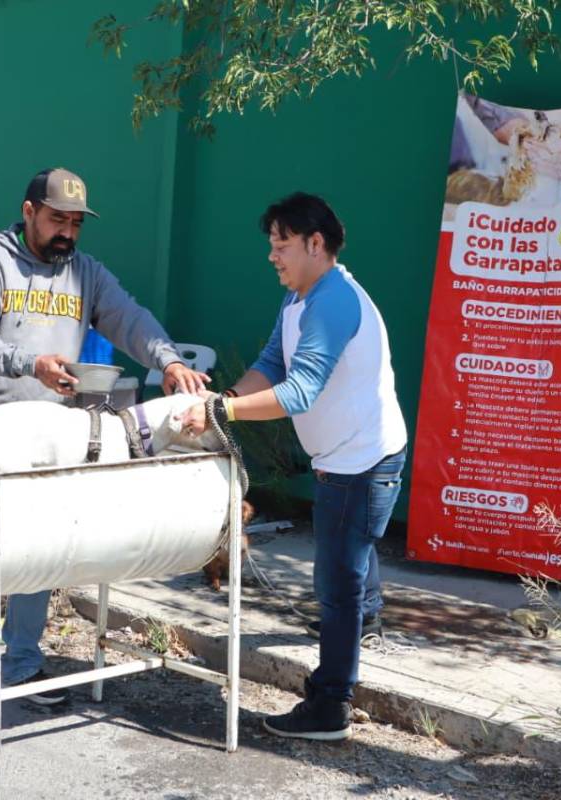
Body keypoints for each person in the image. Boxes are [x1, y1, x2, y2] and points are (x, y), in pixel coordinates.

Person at [0, 167, 210, 729]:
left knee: (40, 556)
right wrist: (30, 363)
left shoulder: (86, 273)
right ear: (29, 211)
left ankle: (24, 666)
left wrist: (169, 359)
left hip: (48, 434)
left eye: (76, 224)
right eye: (58, 220)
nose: (68, 234)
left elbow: (129, 318)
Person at [177, 192, 408, 741]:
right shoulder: (301, 297)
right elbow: (272, 363)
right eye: (272, 246)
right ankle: (365, 621)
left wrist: (219, 409)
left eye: (281, 246)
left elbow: (299, 391)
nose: (273, 257)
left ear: (316, 244)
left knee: (336, 583)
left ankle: (330, 705)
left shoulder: (333, 302)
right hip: (351, 456)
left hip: (361, 463)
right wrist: (229, 397)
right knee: (353, 566)